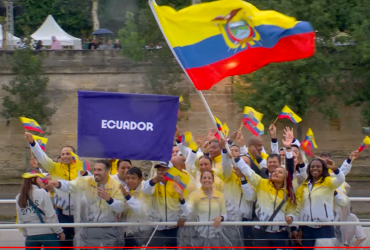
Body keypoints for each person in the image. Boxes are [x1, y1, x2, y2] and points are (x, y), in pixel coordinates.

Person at [25, 132, 87, 249]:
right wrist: (33, 143)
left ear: (74, 155)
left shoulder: (81, 168)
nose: (64, 156)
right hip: (62, 214)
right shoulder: (55, 167)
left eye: (68, 153)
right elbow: (43, 157)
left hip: (79, 213)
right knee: (64, 245)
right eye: (62, 154)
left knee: (80, 245)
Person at [235, 133, 297, 249]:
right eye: (274, 172)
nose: (275, 173)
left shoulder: (288, 193)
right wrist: (237, 158)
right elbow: (248, 171)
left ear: (285, 177)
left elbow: (292, 210)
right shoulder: (261, 183)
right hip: (261, 232)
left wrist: (291, 217)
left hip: (280, 233)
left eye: (280, 172)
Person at [47, 160, 125, 248]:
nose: (96, 172)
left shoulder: (117, 185)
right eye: (95, 170)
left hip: (109, 228)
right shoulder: (87, 180)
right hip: (90, 227)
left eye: (99, 170)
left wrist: (109, 199)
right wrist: (58, 183)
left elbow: (120, 208)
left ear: (107, 171)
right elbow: (72, 185)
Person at [295, 158, 345, 249]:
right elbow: (303, 207)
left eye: (318, 166)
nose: (315, 168)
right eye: (312, 166)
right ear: (309, 169)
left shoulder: (328, 181)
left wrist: (335, 169)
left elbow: (341, 179)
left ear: (323, 169)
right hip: (307, 227)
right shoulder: (306, 185)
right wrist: (301, 227)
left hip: (324, 227)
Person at [176, 170, 232, 248]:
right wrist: (181, 198)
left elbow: (224, 214)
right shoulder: (194, 195)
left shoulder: (220, 195)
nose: (207, 180)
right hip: (199, 235)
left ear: (213, 181)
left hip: (216, 235)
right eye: (204, 178)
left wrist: (221, 218)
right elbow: (188, 211)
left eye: (209, 178)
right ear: (200, 180)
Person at [142, 161, 188, 248]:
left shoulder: (179, 184)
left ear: (171, 171)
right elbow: (146, 191)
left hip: (174, 227)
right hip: (158, 227)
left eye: (163, 169)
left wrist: (183, 216)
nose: (160, 171)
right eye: (158, 169)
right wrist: (153, 182)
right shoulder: (153, 182)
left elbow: (186, 202)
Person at [16, 171, 65, 249]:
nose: (42, 180)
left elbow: (20, 219)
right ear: (33, 180)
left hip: (30, 235)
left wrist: (26, 234)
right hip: (47, 233)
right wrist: (59, 231)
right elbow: (51, 216)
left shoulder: (19, 196)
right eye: (39, 177)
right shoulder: (42, 193)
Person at [120, 167, 153, 247]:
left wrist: (127, 196)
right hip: (126, 231)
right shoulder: (124, 189)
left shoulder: (146, 190)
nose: (130, 181)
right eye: (128, 178)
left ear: (140, 179)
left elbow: (141, 211)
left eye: (133, 178)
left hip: (142, 231)